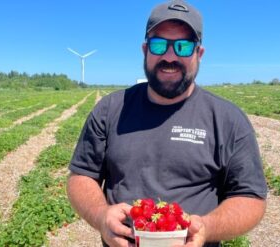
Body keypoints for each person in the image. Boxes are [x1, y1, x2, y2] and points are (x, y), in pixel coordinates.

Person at [67, 0, 268, 246]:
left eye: (183, 46)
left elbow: (251, 198)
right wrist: (100, 216)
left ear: (199, 53)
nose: (170, 56)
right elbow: (81, 176)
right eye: (159, 44)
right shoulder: (110, 110)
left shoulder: (228, 119)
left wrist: (206, 227)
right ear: (145, 50)